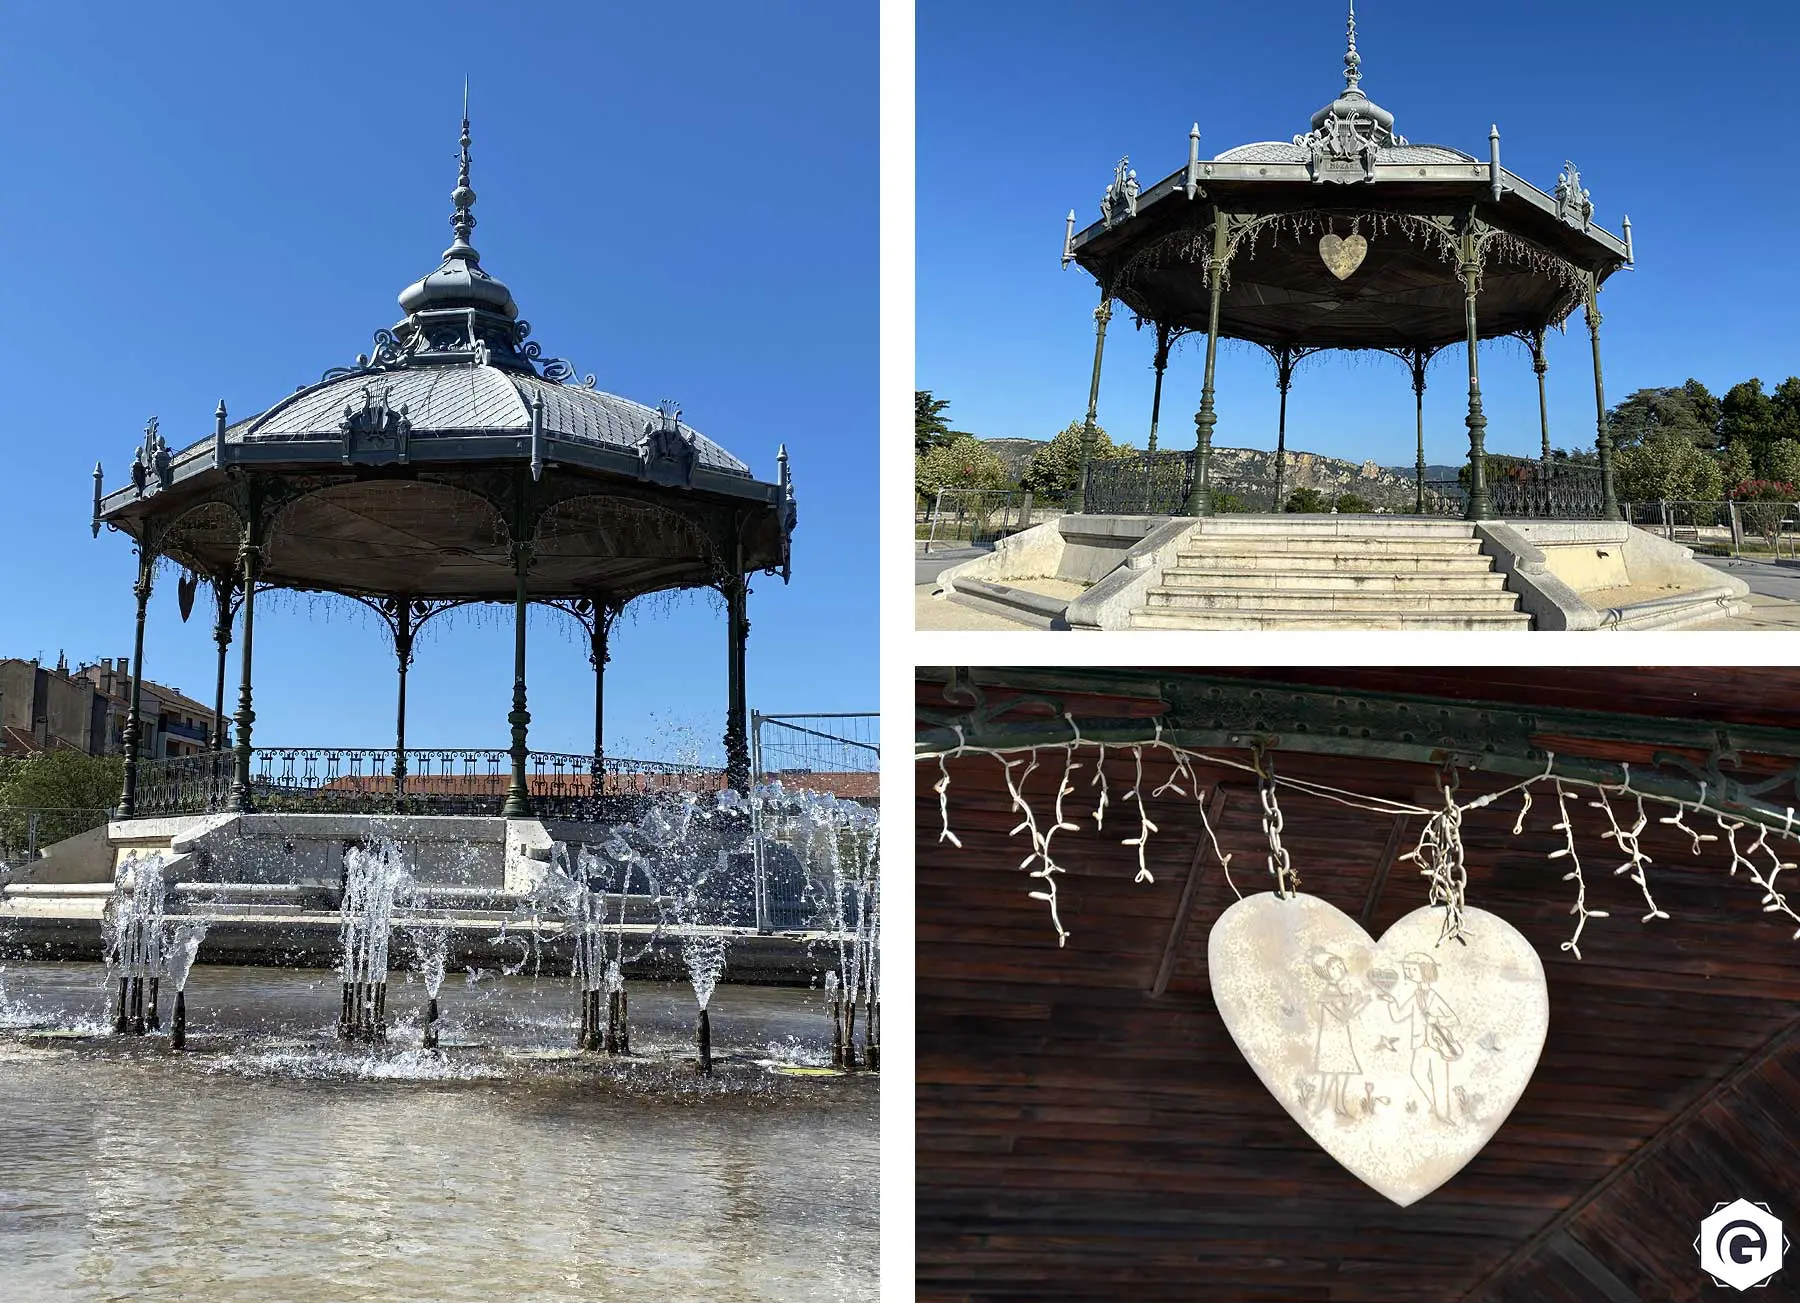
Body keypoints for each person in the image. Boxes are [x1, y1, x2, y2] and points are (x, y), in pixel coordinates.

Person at [1376, 951, 1462, 1121]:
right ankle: (1437, 1105)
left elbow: (1453, 1019)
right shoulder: (1416, 997)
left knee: (1439, 1079)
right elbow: (1399, 1016)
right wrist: (1392, 1002)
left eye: (1412, 969)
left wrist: (1435, 1018)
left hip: (1438, 1044)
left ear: (1425, 971)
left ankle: (1444, 1114)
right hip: (1420, 1042)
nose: (1408, 973)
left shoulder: (1434, 997)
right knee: (1418, 1073)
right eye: (1407, 969)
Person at [1307, 948, 1367, 1116]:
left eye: (1339, 965)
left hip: (1342, 1036)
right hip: (1332, 1038)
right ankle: (1322, 1103)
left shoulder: (1340, 991)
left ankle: (1338, 1105)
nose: (1339, 969)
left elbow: (1347, 1016)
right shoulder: (1328, 994)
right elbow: (1343, 1017)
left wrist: (1358, 1003)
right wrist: (1358, 1003)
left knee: (1343, 1072)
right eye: (1333, 968)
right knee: (1330, 1072)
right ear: (1325, 973)